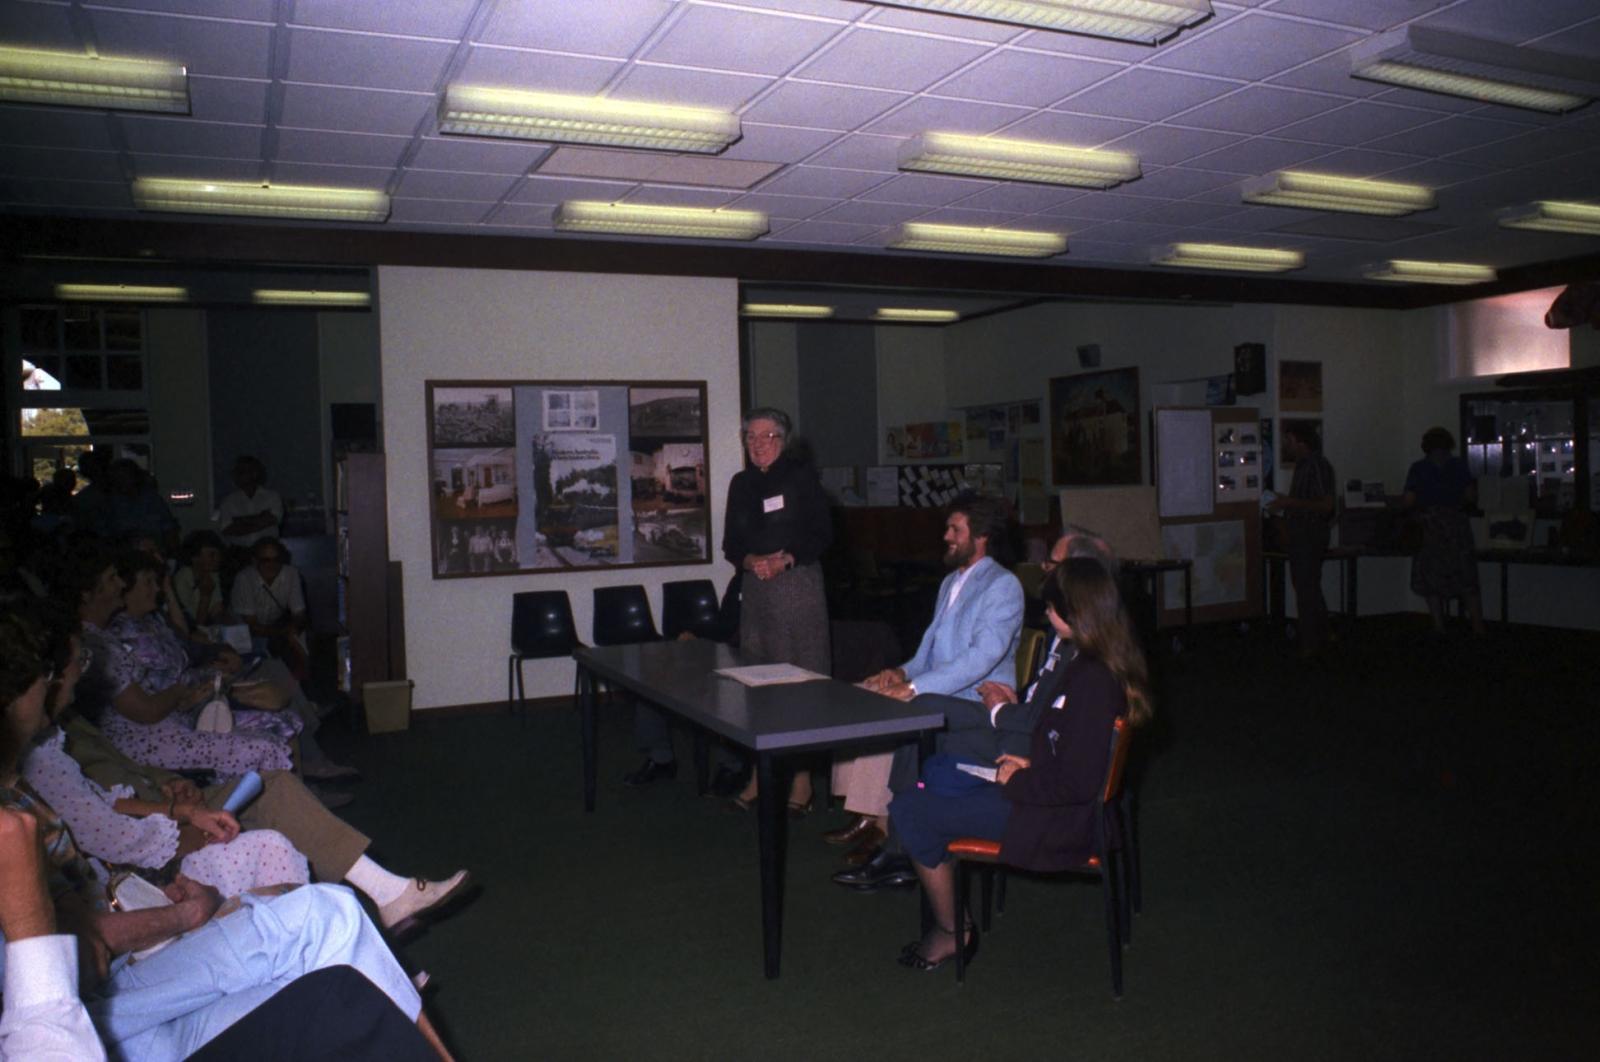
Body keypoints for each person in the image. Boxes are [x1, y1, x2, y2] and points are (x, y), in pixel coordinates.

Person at [0, 603, 454, 1061]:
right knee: (283, 849)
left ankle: (383, 951)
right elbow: (85, 954)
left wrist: (169, 797)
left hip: (117, 980)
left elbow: (105, 800)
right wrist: (189, 914)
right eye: (53, 675)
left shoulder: (31, 768)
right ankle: (379, 967)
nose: (65, 680)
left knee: (330, 909)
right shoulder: (21, 803)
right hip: (99, 1018)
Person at [32, 619, 469, 937]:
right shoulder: (37, 754)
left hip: (157, 806)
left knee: (271, 785)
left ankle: (384, 903)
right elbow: (106, 831)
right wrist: (177, 814)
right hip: (143, 847)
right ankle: (382, 908)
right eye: (79, 661)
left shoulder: (55, 727)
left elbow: (104, 790)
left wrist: (166, 786)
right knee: (275, 808)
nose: (83, 669)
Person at [887, 558, 1152, 971]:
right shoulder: (1089, 663)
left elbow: (1077, 785)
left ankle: (952, 930)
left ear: (1075, 613)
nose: (1045, 613)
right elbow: (1068, 750)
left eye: (1050, 608)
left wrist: (1018, 779)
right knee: (937, 772)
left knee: (909, 808)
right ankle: (935, 858)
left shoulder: (1093, 681)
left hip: (1054, 818)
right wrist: (1029, 763)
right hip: (1043, 793)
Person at [624, 408, 831, 817]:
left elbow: (823, 534)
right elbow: (730, 545)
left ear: (783, 439)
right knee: (758, 686)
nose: (757, 444)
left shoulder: (801, 477)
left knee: (802, 683)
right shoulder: (742, 483)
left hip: (797, 586)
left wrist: (785, 559)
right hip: (756, 590)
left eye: (767, 436)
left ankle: (803, 781)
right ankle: (758, 775)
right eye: (750, 437)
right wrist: (750, 559)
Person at [828, 492, 1022, 876]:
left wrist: (915, 688)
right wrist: (900, 674)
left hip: (978, 705)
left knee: (906, 708)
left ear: (980, 535)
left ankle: (895, 838)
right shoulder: (951, 581)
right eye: (947, 527)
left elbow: (981, 658)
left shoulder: (1003, 585)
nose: (946, 536)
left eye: (955, 529)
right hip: (943, 693)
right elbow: (927, 654)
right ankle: (869, 811)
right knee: (865, 695)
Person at [75, 549, 296, 776]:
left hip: (174, 717)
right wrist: (184, 692)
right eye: (112, 579)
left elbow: (181, 648)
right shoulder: (98, 642)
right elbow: (146, 711)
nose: (120, 583)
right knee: (264, 745)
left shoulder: (110, 634)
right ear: (87, 592)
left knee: (278, 721)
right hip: (145, 737)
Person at [1402, 427, 1486, 636]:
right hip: (1456, 526)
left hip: (1430, 527)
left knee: (1431, 579)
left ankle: (1439, 625)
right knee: (1466, 578)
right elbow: (1470, 496)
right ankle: (1477, 626)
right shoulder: (1459, 466)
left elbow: (1409, 500)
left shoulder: (1419, 468)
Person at [1269, 422, 1336, 657]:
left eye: (1289, 441)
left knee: (1306, 588)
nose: (1287, 446)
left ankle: (1310, 642)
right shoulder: (1307, 465)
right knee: (1309, 586)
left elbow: (1326, 505)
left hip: (1309, 534)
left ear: (1300, 441)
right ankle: (1322, 634)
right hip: (1306, 533)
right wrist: (1287, 502)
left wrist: (1289, 503)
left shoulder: (1315, 465)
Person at [229, 538, 308, 675]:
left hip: (274, 627)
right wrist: (282, 633)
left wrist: (293, 628)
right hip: (243, 633)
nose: (272, 565)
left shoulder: (291, 573)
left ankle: (303, 682)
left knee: (299, 640)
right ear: (255, 561)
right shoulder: (244, 579)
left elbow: (299, 612)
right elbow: (252, 626)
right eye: (266, 560)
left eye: (276, 559)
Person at [214, 456, 282, 552]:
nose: (246, 475)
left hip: (267, 551)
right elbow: (227, 529)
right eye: (240, 471)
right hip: (239, 553)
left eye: (249, 470)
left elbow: (272, 519)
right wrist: (259, 518)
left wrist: (240, 521)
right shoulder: (228, 501)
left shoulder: (272, 496)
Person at [171, 530, 229, 633]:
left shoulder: (212, 574)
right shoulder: (182, 579)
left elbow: (217, 610)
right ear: (195, 557)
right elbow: (196, 624)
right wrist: (205, 596)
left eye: (218, 554)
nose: (217, 559)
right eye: (211, 555)